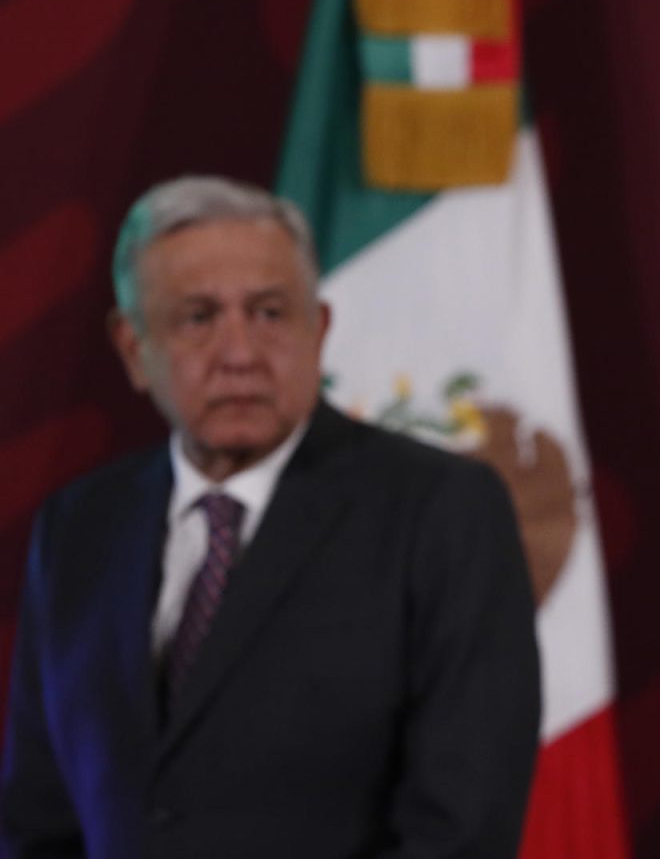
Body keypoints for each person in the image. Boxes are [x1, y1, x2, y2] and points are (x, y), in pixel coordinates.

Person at [0, 177, 541, 857]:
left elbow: (461, 830)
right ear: (134, 348)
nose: (240, 355)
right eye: (198, 318)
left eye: (270, 313)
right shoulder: (79, 527)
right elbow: (37, 820)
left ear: (320, 329)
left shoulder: (440, 513)